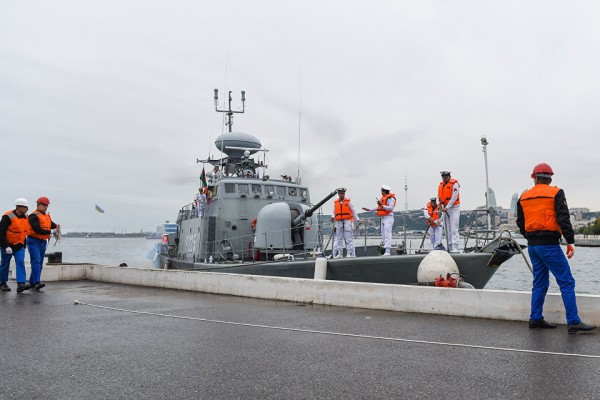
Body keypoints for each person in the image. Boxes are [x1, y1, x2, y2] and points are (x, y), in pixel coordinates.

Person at [517, 163, 596, 333]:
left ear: (534, 178)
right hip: (549, 245)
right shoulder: (556, 193)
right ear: (550, 177)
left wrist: (530, 236)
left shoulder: (523, 197)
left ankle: (535, 318)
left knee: (539, 283)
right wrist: (570, 241)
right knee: (566, 282)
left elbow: (520, 223)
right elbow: (563, 218)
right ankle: (573, 321)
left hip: (533, 246)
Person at [27, 196, 60, 290]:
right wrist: (51, 232)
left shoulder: (46, 216)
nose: (45, 207)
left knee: (40, 262)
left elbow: (52, 225)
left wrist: (57, 226)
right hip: (33, 241)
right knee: (36, 260)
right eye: (43, 205)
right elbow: (37, 229)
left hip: (42, 242)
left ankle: (32, 282)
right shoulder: (33, 216)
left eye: (46, 205)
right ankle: (37, 282)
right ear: (38, 205)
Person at [0, 198, 32, 293]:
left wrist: (24, 245)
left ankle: (21, 284)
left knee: (20, 262)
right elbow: (1, 232)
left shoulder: (26, 217)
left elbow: (23, 232)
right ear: (18, 207)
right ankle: (2, 283)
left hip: (19, 245)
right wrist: (6, 246)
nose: (27, 209)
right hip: (8, 245)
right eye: (25, 207)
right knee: (5, 264)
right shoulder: (7, 216)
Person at [363, 184, 395, 256]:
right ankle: (384, 250)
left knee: (387, 234)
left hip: (388, 218)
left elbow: (391, 208)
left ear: (384, 191)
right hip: (383, 218)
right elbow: (378, 208)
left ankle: (388, 251)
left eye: (381, 190)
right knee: (383, 235)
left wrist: (382, 205)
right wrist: (369, 209)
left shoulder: (390, 199)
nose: (381, 192)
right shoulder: (383, 198)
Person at [331, 188, 359, 258]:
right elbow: (334, 212)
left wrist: (357, 219)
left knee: (348, 238)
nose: (342, 194)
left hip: (347, 221)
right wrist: (332, 217)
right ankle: (340, 254)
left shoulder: (348, 202)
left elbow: (353, 210)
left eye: (343, 193)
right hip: (339, 222)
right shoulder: (336, 203)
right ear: (338, 194)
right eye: (341, 193)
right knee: (339, 238)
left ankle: (349, 253)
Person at [438, 171, 461, 253]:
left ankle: (455, 247)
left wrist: (447, 207)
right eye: (443, 178)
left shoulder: (455, 184)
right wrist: (439, 205)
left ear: (449, 176)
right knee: (447, 229)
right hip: (445, 208)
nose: (444, 179)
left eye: (446, 177)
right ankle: (450, 246)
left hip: (453, 208)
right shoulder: (441, 185)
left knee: (454, 228)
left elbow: (454, 197)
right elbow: (439, 197)